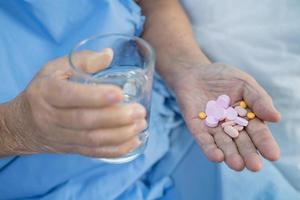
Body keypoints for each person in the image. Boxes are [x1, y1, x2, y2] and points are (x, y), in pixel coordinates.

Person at [0, 0, 282, 199]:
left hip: (171, 131)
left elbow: (153, 4)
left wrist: (187, 67)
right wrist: (16, 128)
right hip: (39, 182)